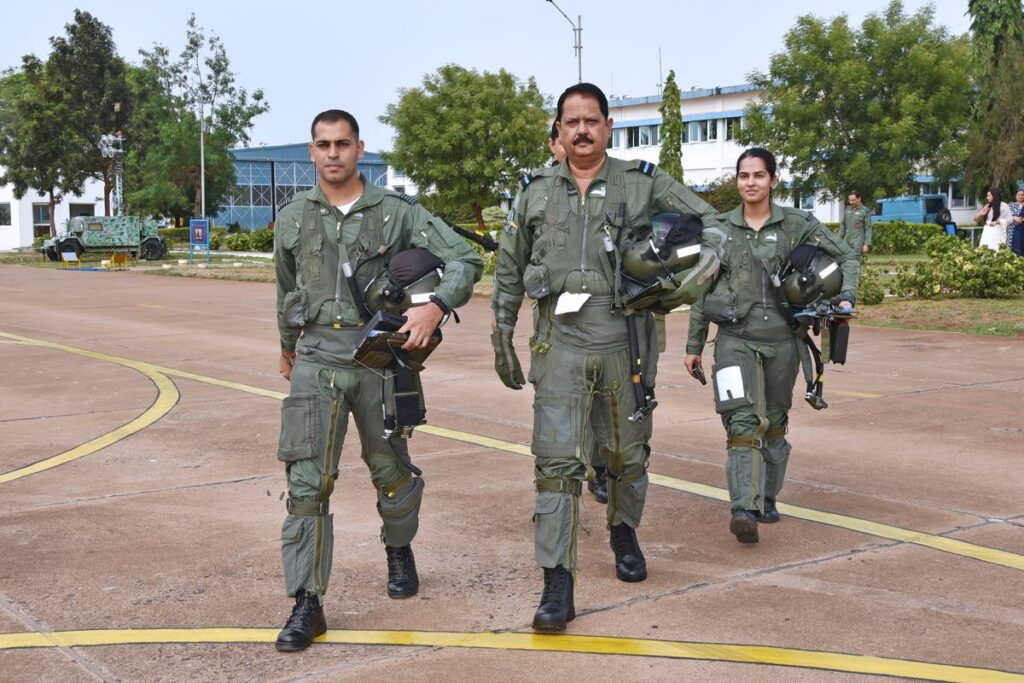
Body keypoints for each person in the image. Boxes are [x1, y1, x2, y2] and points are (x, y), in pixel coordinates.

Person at [491, 82, 721, 631]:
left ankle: (623, 531)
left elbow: (710, 221)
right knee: (556, 467)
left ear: (608, 126)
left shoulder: (640, 183)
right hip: (559, 349)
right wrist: (501, 332)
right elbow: (508, 267)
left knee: (627, 458)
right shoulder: (535, 192)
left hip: (625, 345)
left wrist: (700, 268)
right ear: (559, 129)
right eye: (571, 122)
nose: (581, 131)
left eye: (591, 120)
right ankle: (557, 584)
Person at [273, 109, 483, 652]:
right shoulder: (293, 216)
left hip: (379, 360)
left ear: (360, 148)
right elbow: (285, 289)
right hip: (317, 358)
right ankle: (307, 603)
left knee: (390, 471)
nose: (334, 153)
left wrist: (436, 307)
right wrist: (287, 348)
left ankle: (398, 546)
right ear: (311, 151)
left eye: (343, 143)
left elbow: (465, 257)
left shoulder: (395, 211)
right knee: (307, 484)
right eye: (323, 145)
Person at [684, 148, 858, 545]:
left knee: (775, 423)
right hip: (734, 340)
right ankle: (742, 508)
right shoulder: (720, 229)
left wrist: (845, 296)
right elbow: (701, 287)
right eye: (744, 176)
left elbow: (846, 255)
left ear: (773, 180)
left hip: (784, 342)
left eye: (758, 175)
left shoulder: (797, 224)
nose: (750, 182)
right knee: (743, 423)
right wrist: (694, 344)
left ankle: (766, 497)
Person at [838, 191, 872, 260]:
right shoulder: (847, 210)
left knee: (856, 261)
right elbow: (843, 226)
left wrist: (867, 244)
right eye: (850, 200)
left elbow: (868, 228)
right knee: (845, 260)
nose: (851, 202)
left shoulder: (865, 211)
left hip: (858, 242)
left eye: (853, 200)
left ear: (859, 198)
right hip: (846, 241)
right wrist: (838, 240)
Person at [1007, 188, 1024, 256]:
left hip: (1022, 231)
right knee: (1013, 253)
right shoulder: (1011, 205)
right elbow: (1007, 216)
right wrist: (1014, 218)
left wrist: (1020, 219)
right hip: (1012, 231)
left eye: (1022, 195)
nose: (1021, 196)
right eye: (1019, 195)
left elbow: (1019, 220)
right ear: (1015, 196)